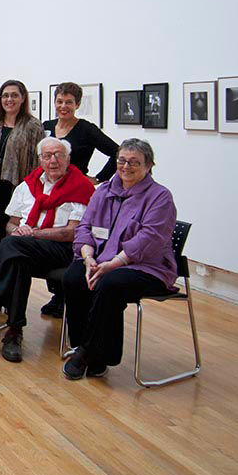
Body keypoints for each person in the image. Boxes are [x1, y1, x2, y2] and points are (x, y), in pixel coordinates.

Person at [0, 137, 94, 363]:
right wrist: (18, 231)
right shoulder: (27, 185)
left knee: (12, 245)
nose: (53, 160)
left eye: (59, 155)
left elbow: (71, 233)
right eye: (47, 155)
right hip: (28, 249)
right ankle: (13, 332)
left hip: (64, 252)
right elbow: (11, 224)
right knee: (17, 259)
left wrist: (31, 233)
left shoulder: (81, 187)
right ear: (40, 159)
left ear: (68, 158)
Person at [62, 139, 177, 380]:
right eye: (122, 160)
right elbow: (85, 226)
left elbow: (150, 238)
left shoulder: (160, 197)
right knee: (73, 277)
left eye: (134, 162)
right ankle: (88, 350)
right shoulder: (103, 191)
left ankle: (88, 352)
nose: (126, 166)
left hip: (146, 266)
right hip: (100, 259)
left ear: (149, 166)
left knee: (109, 284)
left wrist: (114, 263)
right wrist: (88, 257)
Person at [40, 82, 119, 318]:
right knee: (49, 236)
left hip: (76, 192)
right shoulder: (45, 127)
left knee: (71, 240)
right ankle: (56, 294)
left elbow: (116, 152)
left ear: (77, 105)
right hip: (49, 191)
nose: (64, 106)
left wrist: (97, 179)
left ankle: (67, 295)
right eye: (60, 101)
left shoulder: (86, 129)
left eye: (69, 102)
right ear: (54, 102)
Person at [0, 79, 44, 250]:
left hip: (16, 186)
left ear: (22, 98)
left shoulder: (32, 126)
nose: (9, 100)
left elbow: (38, 160)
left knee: (9, 228)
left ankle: (5, 271)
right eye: (5, 96)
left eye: (14, 95)